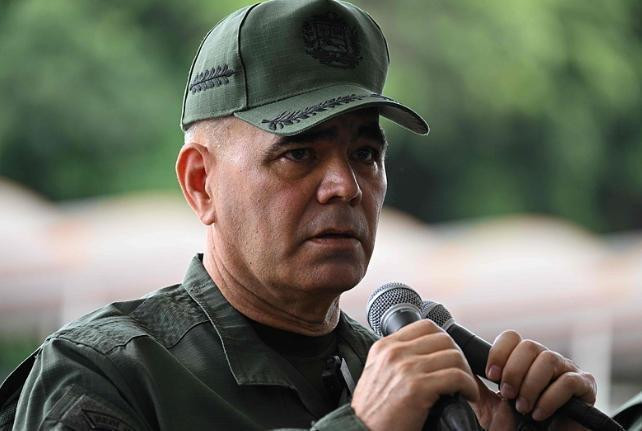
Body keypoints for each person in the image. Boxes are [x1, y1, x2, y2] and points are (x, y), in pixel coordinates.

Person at [0, 0, 598, 430]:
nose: (345, 186)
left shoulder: (423, 386)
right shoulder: (103, 374)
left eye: (365, 154)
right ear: (201, 183)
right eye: (299, 154)